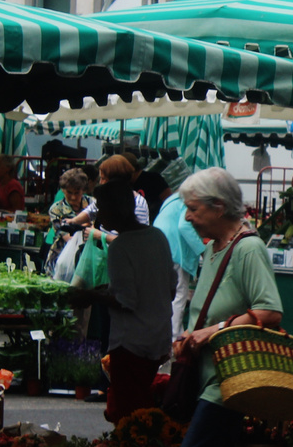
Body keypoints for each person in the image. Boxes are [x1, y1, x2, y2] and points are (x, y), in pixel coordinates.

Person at [172, 167, 284, 447]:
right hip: (211, 376)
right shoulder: (216, 248)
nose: (188, 217)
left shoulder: (247, 248)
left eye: (194, 208)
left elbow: (270, 312)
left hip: (232, 379)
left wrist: (212, 330)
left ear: (219, 208)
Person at [73, 180, 174, 423]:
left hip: (131, 343)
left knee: (129, 416)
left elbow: (126, 300)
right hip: (158, 337)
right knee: (144, 407)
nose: (98, 215)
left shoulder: (121, 247)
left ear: (114, 209)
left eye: (101, 208)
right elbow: (168, 288)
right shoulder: (157, 236)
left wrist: (90, 296)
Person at [153, 191, 211, 336]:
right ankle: (173, 339)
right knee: (179, 295)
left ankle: (173, 335)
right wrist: (203, 251)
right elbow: (184, 227)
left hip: (159, 247)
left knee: (164, 296)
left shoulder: (172, 199)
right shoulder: (189, 201)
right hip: (174, 252)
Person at [69, 155, 149, 227]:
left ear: (115, 180)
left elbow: (135, 238)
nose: (100, 183)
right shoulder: (106, 198)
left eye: (103, 179)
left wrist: (100, 235)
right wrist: (72, 221)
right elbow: (91, 211)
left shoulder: (138, 203)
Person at [44, 168, 94, 274]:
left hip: (90, 255)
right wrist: (86, 225)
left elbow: (97, 225)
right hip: (62, 255)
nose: (73, 197)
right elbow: (65, 235)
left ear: (83, 190)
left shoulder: (92, 203)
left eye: (77, 192)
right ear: (63, 190)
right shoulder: (56, 209)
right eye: (69, 192)